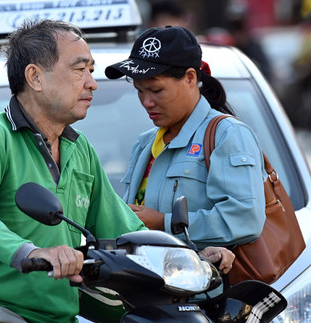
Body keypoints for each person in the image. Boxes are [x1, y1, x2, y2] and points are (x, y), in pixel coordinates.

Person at [0, 19, 145, 323]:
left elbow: (125, 233)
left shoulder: (81, 151)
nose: (92, 83)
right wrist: (34, 251)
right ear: (35, 77)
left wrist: (189, 257)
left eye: (91, 71)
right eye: (80, 70)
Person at [105, 25, 266, 250]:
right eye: (140, 90)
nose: (146, 102)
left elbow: (245, 220)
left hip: (207, 283)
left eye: (156, 90)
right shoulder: (145, 143)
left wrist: (163, 223)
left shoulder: (227, 134)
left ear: (190, 78)